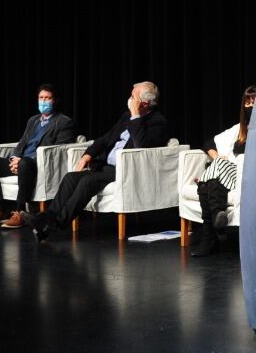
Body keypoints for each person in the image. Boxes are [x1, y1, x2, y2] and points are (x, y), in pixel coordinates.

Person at [26, 81, 168, 242]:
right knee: (70, 178)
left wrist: (136, 115)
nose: (129, 99)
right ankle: (45, 221)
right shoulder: (126, 117)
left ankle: (55, 223)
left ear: (144, 103)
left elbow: (141, 145)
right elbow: (105, 138)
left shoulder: (157, 121)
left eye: (133, 97)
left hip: (125, 170)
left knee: (87, 181)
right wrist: (88, 155)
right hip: (106, 167)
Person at [0, 85, 76, 229]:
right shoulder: (33, 120)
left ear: (55, 101)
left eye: (47, 98)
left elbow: (59, 150)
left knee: (25, 163)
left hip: (38, 165)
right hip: (20, 163)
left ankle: (20, 212)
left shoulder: (64, 122)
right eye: (41, 98)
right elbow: (22, 142)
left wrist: (22, 161)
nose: (43, 101)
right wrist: (13, 159)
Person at [189, 85, 256, 257]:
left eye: (254, 101)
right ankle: (217, 217)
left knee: (207, 180)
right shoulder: (238, 130)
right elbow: (208, 143)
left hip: (248, 175)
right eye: (247, 102)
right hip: (229, 174)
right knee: (210, 178)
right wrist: (219, 157)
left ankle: (209, 237)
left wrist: (219, 162)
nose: (250, 106)